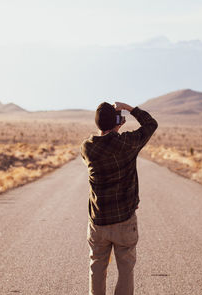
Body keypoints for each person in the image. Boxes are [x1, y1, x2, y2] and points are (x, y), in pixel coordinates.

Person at [80, 101, 158, 295]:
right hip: (124, 219)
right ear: (117, 121)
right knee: (125, 270)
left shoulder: (87, 148)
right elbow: (151, 125)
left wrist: (112, 127)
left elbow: (104, 142)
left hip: (98, 221)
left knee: (97, 266)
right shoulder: (127, 143)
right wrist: (131, 109)